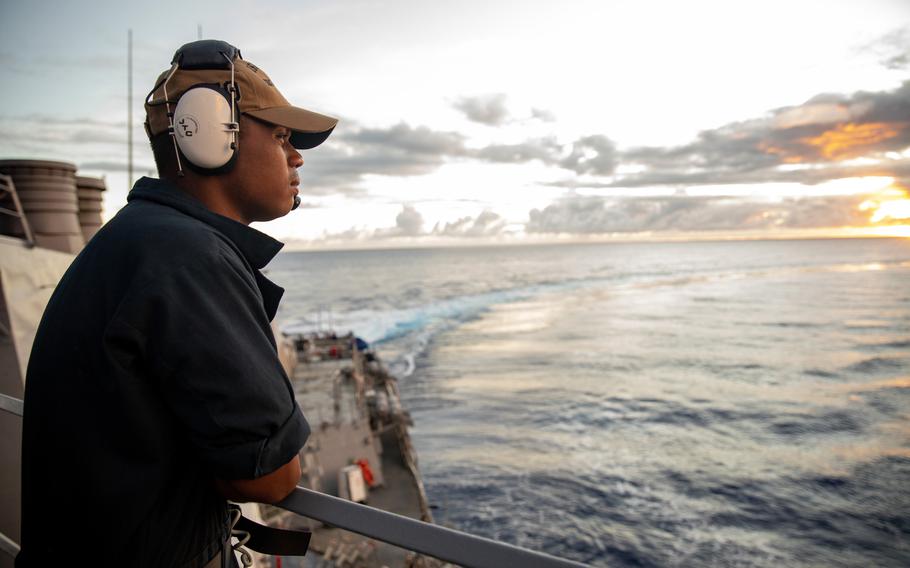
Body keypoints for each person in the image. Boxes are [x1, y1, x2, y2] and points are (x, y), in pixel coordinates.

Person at [17, 40, 337, 567]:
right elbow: (272, 475)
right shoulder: (190, 257)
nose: (296, 155)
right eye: (280, 135)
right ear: (210, 133)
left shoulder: (140, 238)